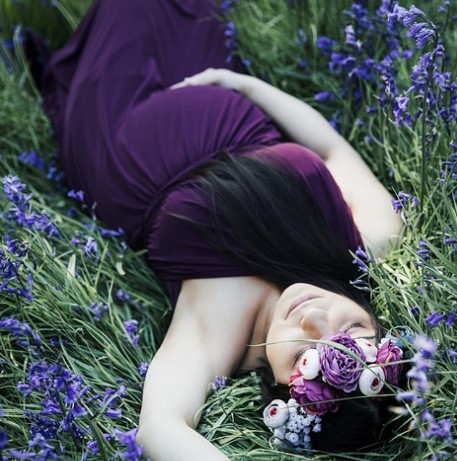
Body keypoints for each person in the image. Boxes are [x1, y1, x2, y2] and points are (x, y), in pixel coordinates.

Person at [39, 0, 403, 459]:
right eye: (351, 326)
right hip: (219, 87)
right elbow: (330, 149)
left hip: (126, 147)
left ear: (275, 387)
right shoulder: (371, 238)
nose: (315, 316)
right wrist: (244, 85)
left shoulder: (220, 328)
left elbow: (160, 425)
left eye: (301, 354)